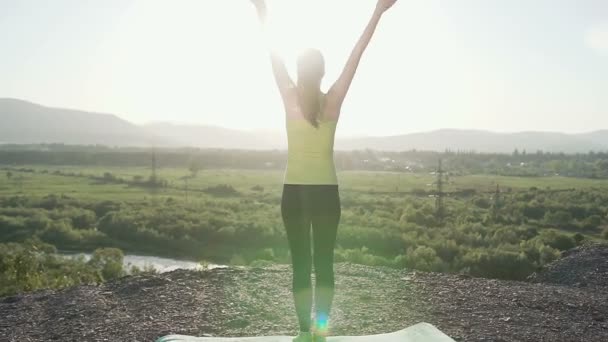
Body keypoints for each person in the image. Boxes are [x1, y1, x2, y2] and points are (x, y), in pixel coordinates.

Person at [250, 0, 397, 341]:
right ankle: (321, 332)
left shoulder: (289, 96)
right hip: (326, 193)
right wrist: (377, 11)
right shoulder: (332, 101)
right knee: (324, 266)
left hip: (294, 193)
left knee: (301, 266)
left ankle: (305, 332)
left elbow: (273, 53)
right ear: (323, 72)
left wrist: (261, 10)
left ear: (300, 72)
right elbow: (356, 54)